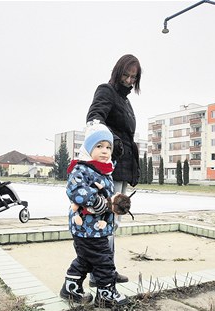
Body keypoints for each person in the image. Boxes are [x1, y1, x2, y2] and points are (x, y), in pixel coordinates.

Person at [85, 54, 142, 286]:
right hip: (111, 166)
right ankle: (100, 274)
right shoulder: (106, 91)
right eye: (125, 75)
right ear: (117, 72)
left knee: (112, 222)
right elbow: (94, 118)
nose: (129, 80)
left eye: (133, 77)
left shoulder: (126, 101)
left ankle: (105, 270)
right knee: (105, 221)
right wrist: (113, 142)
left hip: (124, 167)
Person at [59, 122, 129, 307]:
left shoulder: (104, 169)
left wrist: (116, 201)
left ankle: (70, 288)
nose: (105, 151)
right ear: (88, 149)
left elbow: (108, 193)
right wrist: (98, 202)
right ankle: (106, 294)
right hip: (86, 227)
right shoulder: (81, 168)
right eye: (99, 146)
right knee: (104, 260)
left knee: (86, 260)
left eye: (108, 147)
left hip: (97, 228)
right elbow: (75, 190)